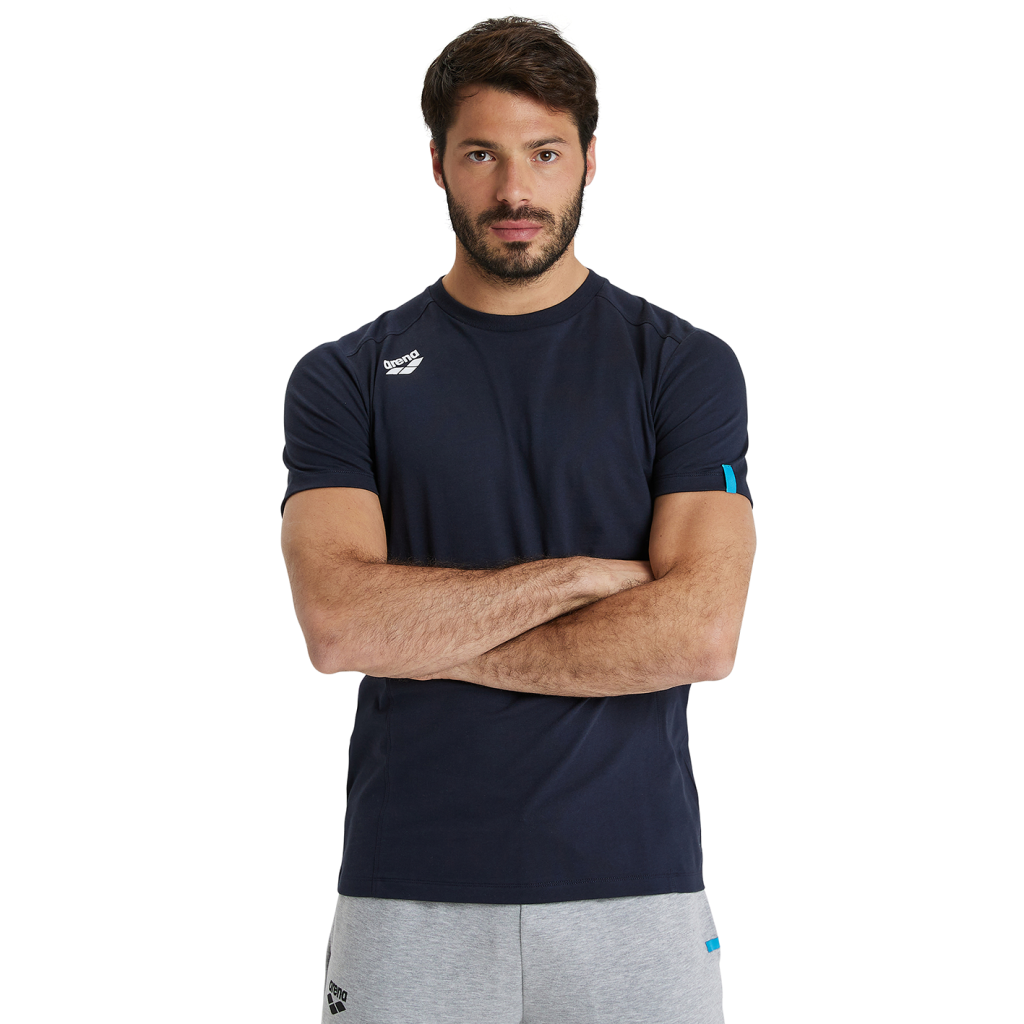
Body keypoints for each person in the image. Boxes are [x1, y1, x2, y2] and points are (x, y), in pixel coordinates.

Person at [280, 16, 755, 1024]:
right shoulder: (345, 378)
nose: (514, 191)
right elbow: (340, 626)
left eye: (544, 153)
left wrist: (426, 635)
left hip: (637, 889)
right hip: (408, 891)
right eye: (480, 155)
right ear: (437, 165)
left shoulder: (681, 366)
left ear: (589, 158)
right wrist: (580, 579)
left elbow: (701, 633)